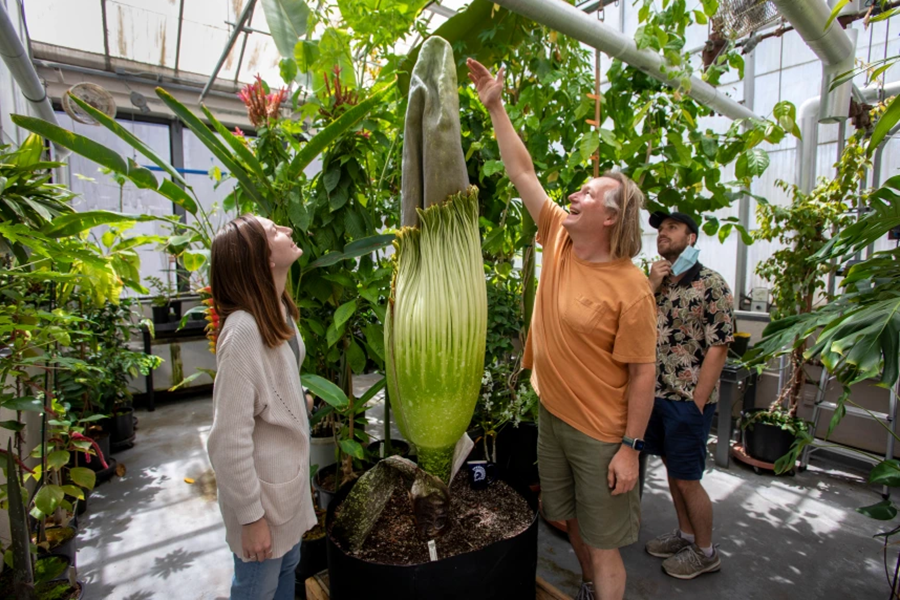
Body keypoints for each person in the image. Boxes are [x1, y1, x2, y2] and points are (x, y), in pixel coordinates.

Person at [467, 58, 658, 600]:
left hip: (601, 435)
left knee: (604, 544)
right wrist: (497, 106)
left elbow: (643, 375)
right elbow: (522, 171)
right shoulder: (559, 236)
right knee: (566, 519)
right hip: (551, 413)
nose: (573, 195)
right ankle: (592, 590)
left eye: (588, 194)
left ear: (611, 219)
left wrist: (630, 449)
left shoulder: (631, 289)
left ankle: (603, 586)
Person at [207, 215, 318, 600]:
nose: (287, 231)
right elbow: (226, 441)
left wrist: (296, 402)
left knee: (286, 578)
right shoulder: (242, 332)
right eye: (274, 232)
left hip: (285, 496)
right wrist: (251, 520)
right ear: (263, 259)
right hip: (263, 508)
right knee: (258, 590)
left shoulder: (278, 310)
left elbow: (270, 387)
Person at [644, 209, 734, 580]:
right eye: (661, 228)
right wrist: (649, 286)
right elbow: (634, 322)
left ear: (691, 238)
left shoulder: (711, 283)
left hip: (686, 401)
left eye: (672, 228)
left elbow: (720, 344)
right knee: (671, 468)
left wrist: (699, 398)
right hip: (655, 396)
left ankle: (706, 550)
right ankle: (685, 535)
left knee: (687, 477)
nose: (663, 233)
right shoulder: (658, 281)